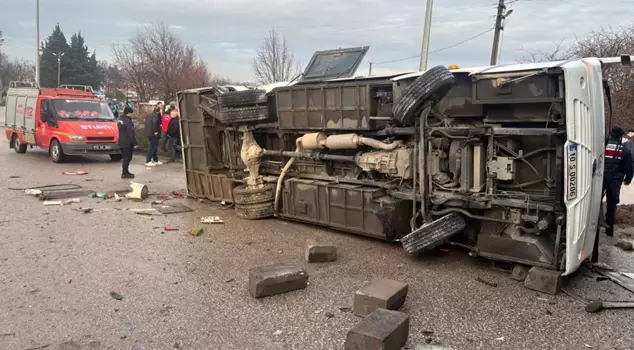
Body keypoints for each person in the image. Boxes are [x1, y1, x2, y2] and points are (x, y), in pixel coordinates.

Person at [603, 126, 634, 236]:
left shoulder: (603, 145)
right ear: (620, 136)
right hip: (615, 181)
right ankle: (609, 229)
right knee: (612, 204)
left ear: (611, 134)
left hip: (600, 178)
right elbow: (629, 165)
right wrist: (628, 179)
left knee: (595, 201)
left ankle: (594, 225)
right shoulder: (624, 150)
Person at [117, 105, 137, 179]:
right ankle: (125, 173)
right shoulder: (128, 121)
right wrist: (134, 143)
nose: (132, 114)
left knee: (125, 157)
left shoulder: (120, 120)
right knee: (127, 158)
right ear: (128, 113)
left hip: (121, 141)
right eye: (131, 113)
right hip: (127, 142)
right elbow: (130, 133)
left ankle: (126, 171)